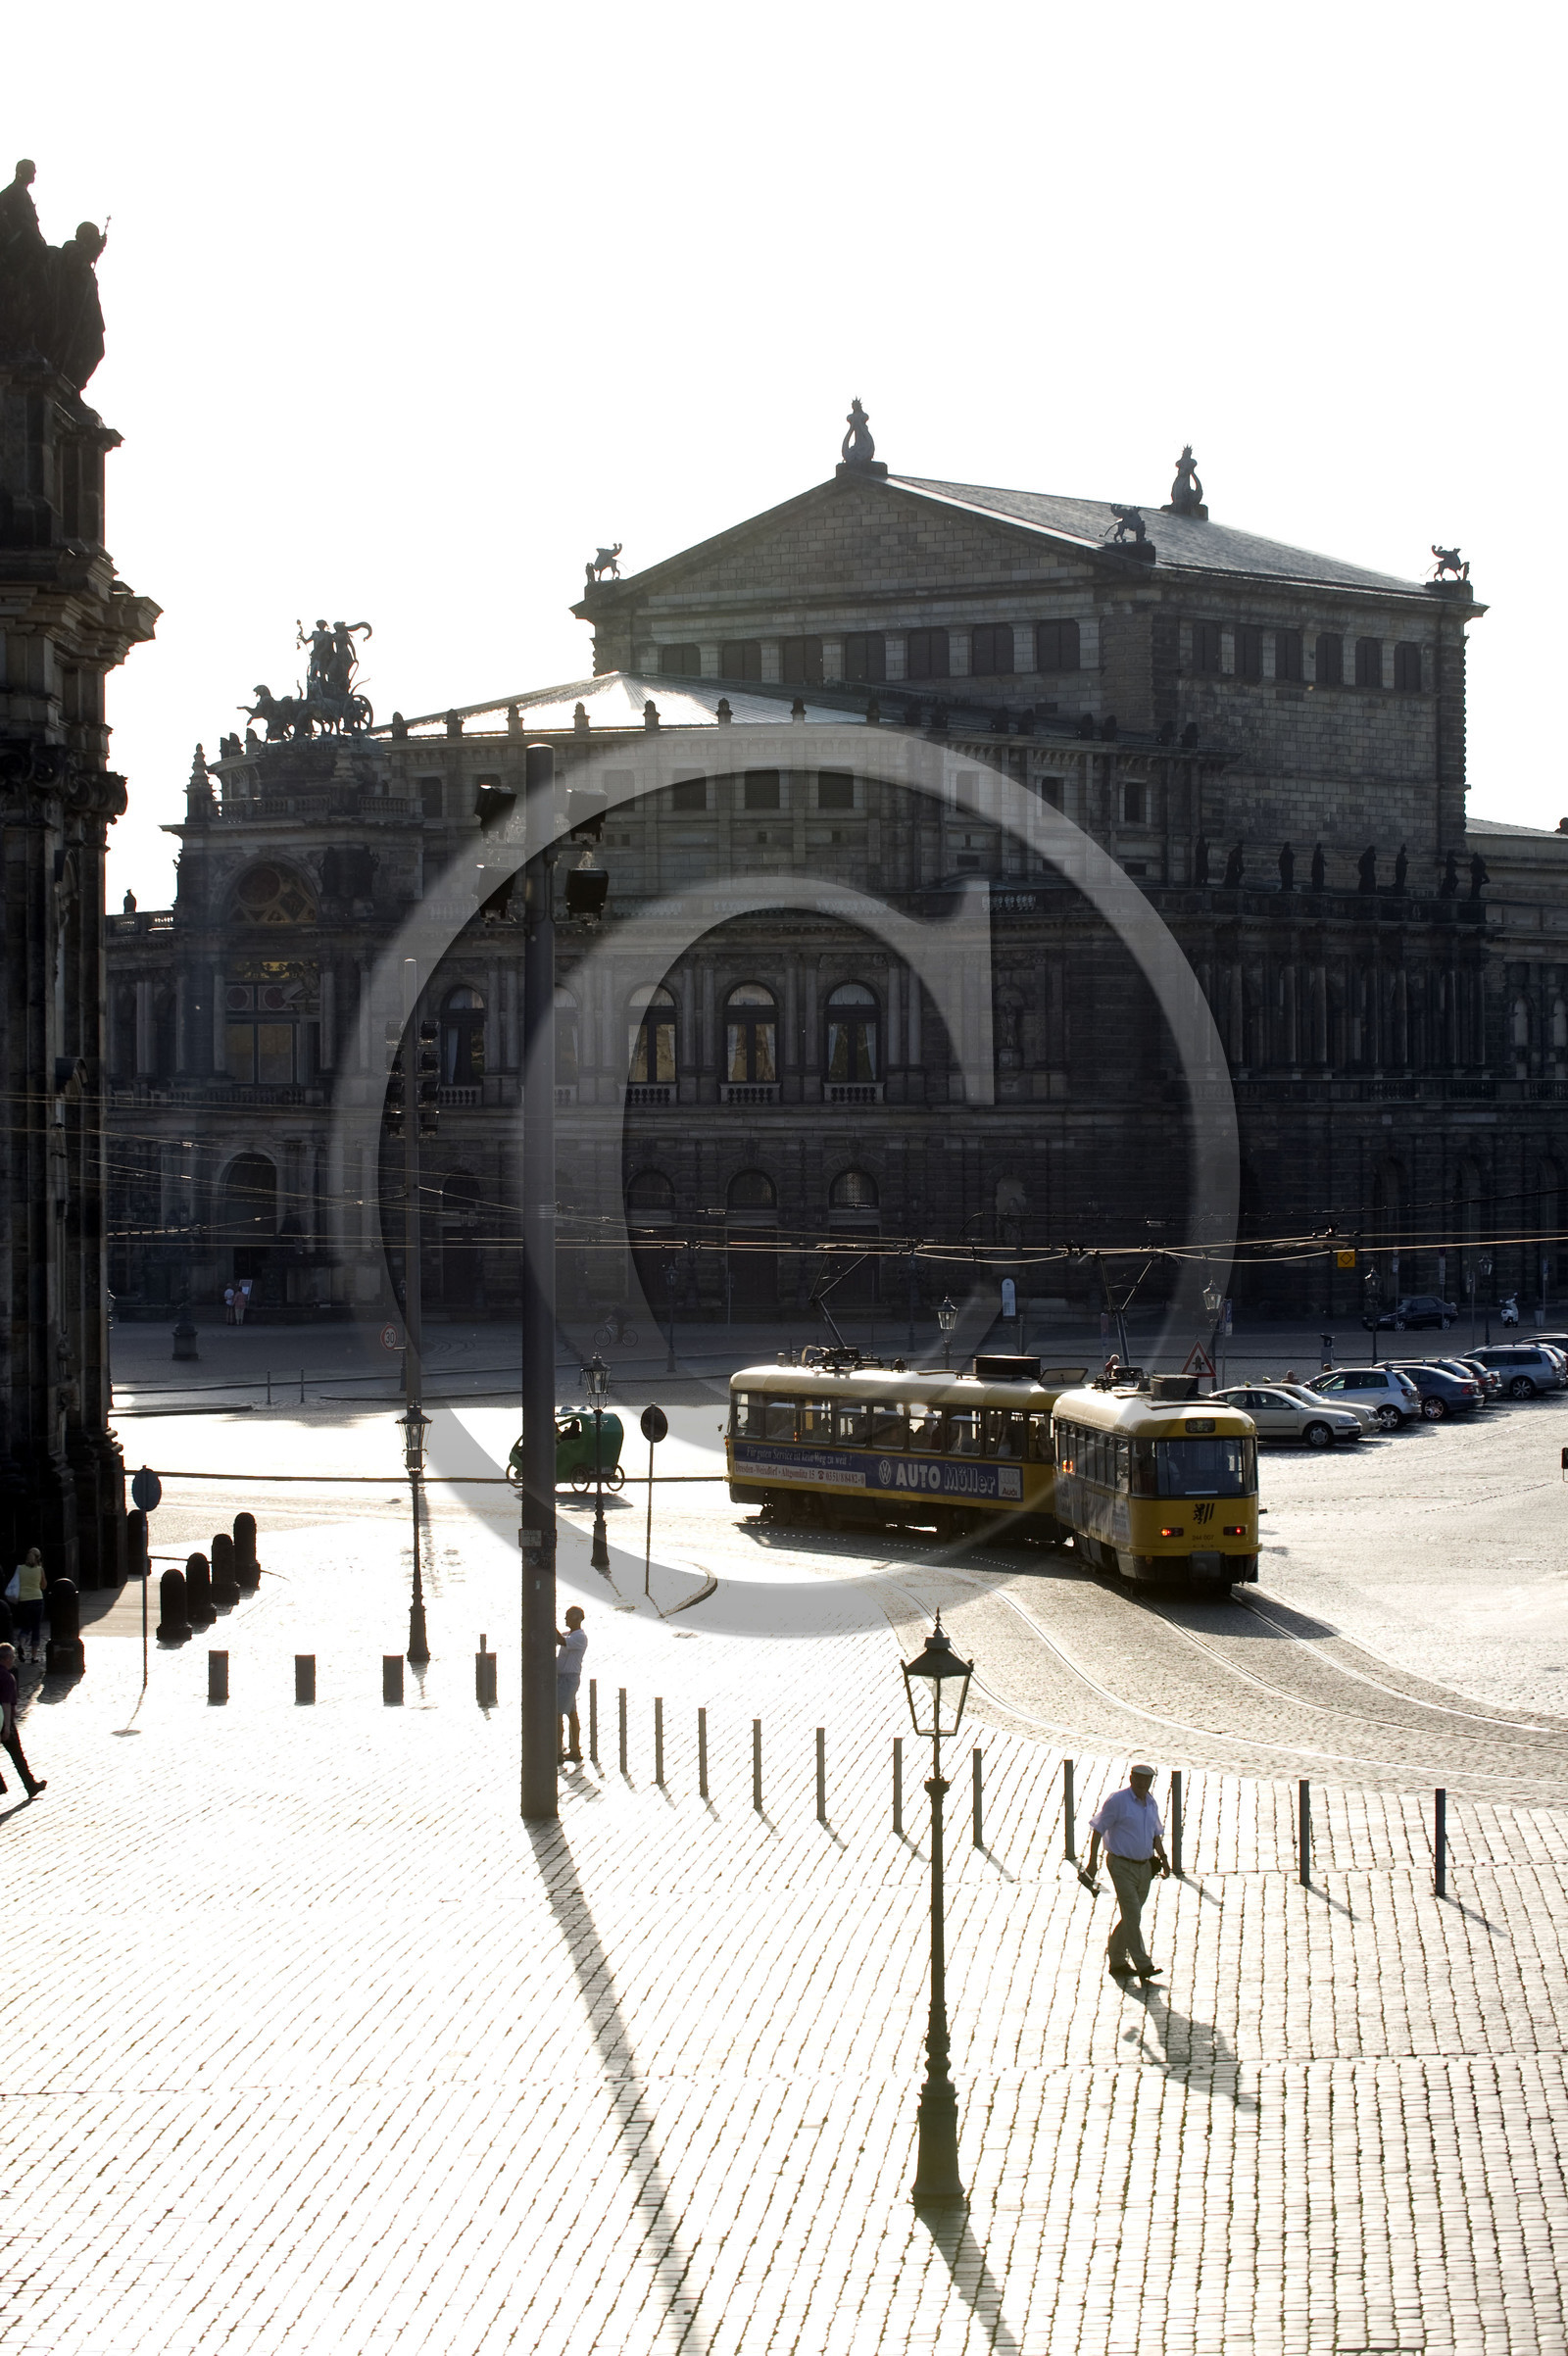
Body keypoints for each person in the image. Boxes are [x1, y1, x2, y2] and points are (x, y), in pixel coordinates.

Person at [1086, 1762, 1171, 1983]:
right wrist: (1092, 1862)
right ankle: (1143, 1964)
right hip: (1121, 1865)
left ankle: (1117, 1961)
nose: (1144, 1784)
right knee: (1132, 1914)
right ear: (1131, 1778)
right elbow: (1098, 1829)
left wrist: (1163, 1858)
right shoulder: (1118, 1801)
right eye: (1140, 1780)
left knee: (1131, 1916)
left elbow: (1155, 1834)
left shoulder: (1151, 1803)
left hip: (1145, 1867)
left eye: (1148, 1781)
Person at [0, 1645, 43, 1797]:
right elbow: (6, 1704)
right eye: (12, 1657)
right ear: (6, 1659)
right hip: (4, 1722)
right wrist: (6, 1726)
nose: (13, 1660)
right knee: (17, 1755)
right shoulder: (6, 1677)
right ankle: (30, 1785)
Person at [556, 1605, 587, 1765]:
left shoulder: (580, 1637)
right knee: (572, 1714)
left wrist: (548, 1621)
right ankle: (575, 1749)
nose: (565, 1619)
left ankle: (558, 1751)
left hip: (569, 1679)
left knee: (557, 1713)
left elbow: (560, 1640)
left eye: (568, 1616)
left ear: (577, 1618)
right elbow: (558, 1638)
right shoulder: (570, 1634)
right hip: (564, 1678)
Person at [7, 1548, 46, 1666]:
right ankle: (34, 1656)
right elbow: (43, 1586)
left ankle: (21, 1646)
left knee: (26, 1625)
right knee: (36, 1628)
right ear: (38, 1558)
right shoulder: (40, 1570)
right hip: (37, 1600)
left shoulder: (20, 1569)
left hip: (24, 1601)